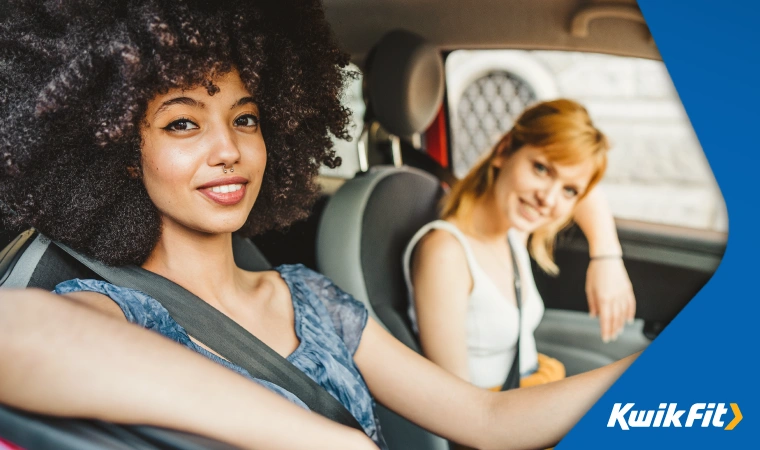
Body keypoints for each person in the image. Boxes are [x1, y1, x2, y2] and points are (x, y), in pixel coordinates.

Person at [0, 1, 637, 449]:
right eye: (183, 123)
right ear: (121, 155)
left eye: (245, 119)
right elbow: (18, 334)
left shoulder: (312, 299)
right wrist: (327, 442)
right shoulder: (120, 311)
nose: (230, 150)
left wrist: (652, 370)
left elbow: (488, 418)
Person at [404, 100, 635, 393]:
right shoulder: (446, 253)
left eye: (568, 191)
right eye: (541, 169)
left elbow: (589, 189)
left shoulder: (514, 232)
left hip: (533, 391)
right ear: (503, 150)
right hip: (496, 420)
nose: (549, 199)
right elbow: (456, 409)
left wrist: (607, 257)